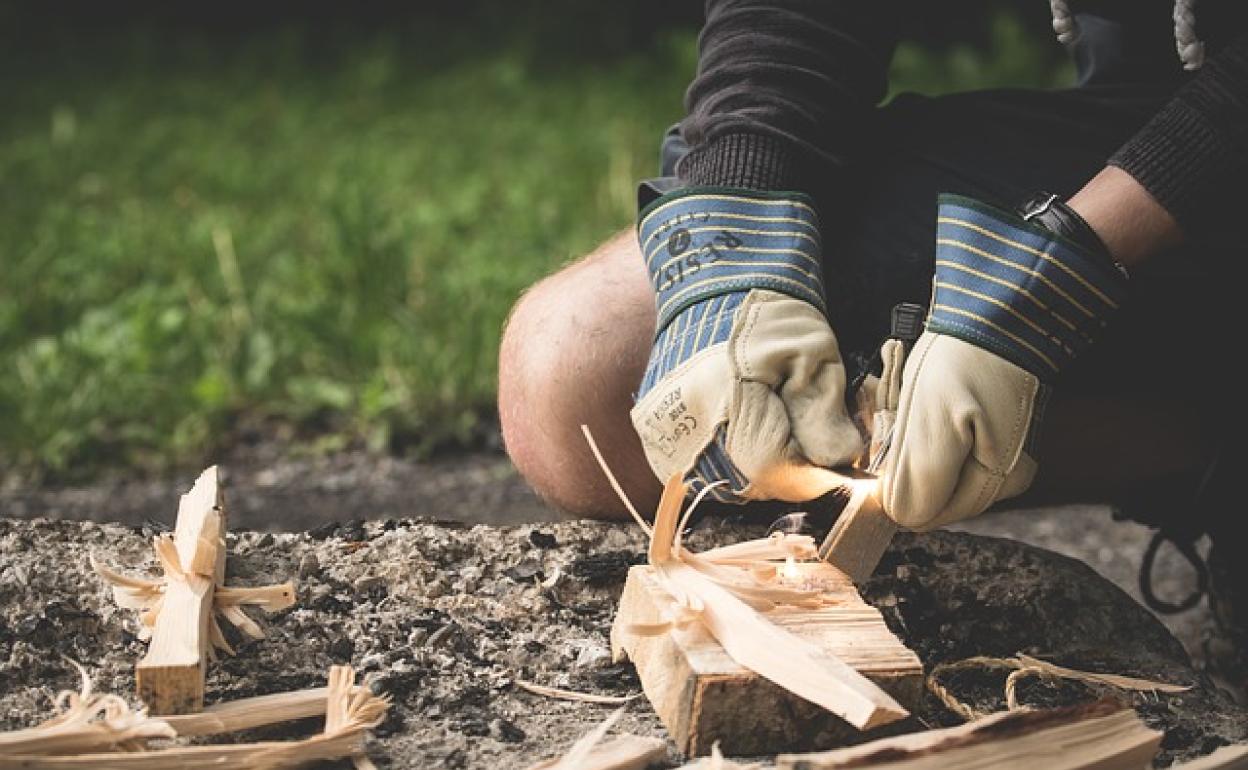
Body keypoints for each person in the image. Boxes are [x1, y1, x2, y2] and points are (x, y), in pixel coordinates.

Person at [498, 0, 1245, 694]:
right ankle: (1199, 447)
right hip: (1149, 112)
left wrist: (1064, 268)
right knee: (578, 369)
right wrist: (735, 231)